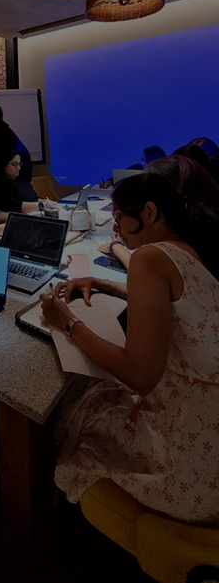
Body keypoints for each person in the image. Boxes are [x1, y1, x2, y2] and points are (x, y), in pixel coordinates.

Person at [40, 173, 219, 523]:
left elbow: (140, 375)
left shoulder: (149, 258)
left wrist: (68, 323)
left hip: (192, 451)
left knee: (77, 403)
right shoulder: (187, 248)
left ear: (149, 213)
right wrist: (103, 282)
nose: (116, 226)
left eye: (120, 215)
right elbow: (173, 305)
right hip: (206, 421)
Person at [0, 148, 54, 214]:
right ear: (3, 165)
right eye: (14, 164)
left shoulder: (19, 179)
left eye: (19, 164)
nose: (18, 168)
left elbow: (33, 197)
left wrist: (45, 201)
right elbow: (16, 206)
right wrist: (42, 205)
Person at [99, 145, 166, 188]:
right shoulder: (138, 168)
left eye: (144, 160)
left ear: (152, 161)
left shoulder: (164, 180)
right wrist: (108, 182)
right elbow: (118, 177)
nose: (142, 163)